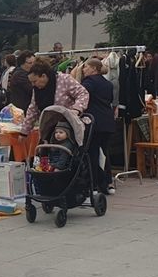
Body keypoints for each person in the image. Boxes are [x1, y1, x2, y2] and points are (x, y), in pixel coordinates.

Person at [78, 58, 116, 194]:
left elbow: (82, 98)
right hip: (108, 121)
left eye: (86, 67)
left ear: (94, 68)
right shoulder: (108, 84)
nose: (83, 69)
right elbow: (110, 100)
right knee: (104, 153)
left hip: (94, 122)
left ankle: (94, 184)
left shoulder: (88, 83)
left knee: (92, 153)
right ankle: (108, 183)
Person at [22, 60, 89, 134]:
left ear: (43, 76)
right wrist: (24, 132)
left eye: (34, 81)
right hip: (48, 128)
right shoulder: (37, 89)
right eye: (31, 82)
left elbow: (83, 93)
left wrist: (77, 109)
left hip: (67, 127)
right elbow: (33, 109)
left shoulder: (64, 79)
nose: (33, 85)